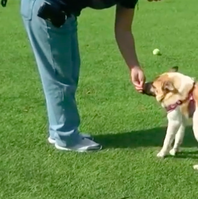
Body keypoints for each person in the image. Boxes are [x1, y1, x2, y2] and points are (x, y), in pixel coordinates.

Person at [20, 0, 160, 152]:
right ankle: (66, 137)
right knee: (59, 77)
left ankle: (59, 132)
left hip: (64, 14)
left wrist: (134, 66)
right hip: (46, 8)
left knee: (69, 73)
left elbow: (123, 29)